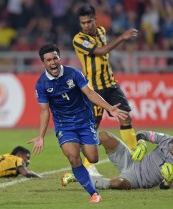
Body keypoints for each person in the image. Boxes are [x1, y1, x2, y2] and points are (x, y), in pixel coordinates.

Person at [27, 44, 128, 203]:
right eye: (48, 60)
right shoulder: (41, 84)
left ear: (59, 59)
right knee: (74, 158)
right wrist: (40, 136)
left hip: (84, 121)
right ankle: (94, 194)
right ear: (43, 63)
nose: (52, 62)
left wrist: (110, 108)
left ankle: (81, 149)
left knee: (93, 158)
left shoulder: (73, 73)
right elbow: (44, 111)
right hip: (64, 125)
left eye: (55, 58)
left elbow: (89, 93)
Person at [73, 5, 139, 176]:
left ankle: (135, 157)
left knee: (125, 117)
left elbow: (105, 55)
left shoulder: (102, 31)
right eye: (83, 23)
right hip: (93, 89)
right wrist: (122, 38)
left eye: (89, 22)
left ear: (95, 20)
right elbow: (101, 51)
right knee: (93, 126)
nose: (86, 25)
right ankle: (88, 165)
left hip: (111, 84)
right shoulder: (78, 39)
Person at [61, 129, 173, 190]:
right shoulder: (168, 140)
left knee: (117, 183)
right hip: (133, 160)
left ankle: (77, 178)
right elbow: (143, 134)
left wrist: (167, 181)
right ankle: (76, 147)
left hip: (138, 180)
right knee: (104, 136)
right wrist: (141, 143)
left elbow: (164, 187)